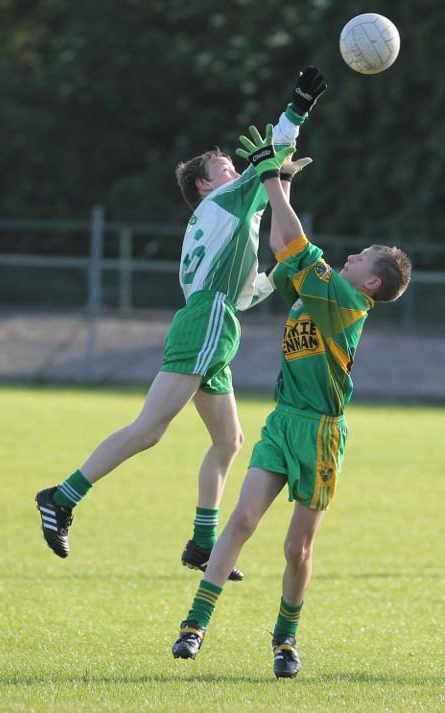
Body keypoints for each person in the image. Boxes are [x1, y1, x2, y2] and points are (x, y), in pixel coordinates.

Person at [35, 68, 328, 580]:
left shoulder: (220, 213)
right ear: (204, 184)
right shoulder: (225, 202)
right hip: (209, 321)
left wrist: (278, 183)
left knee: (228, 441)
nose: (237, 171)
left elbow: (252, 285)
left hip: (216, 318)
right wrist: (297, 107)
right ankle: (60, 497)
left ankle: (201, 542)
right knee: (150, 429)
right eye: (226, 167)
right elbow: (275, 152)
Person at [171, 124, 412, 677]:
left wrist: (275, 178)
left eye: (361, 257)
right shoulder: (319, 285)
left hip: (323, 434)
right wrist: (275, 184)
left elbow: (291, 243)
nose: (350, 256)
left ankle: (285, 639)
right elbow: (286, 249)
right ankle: (194, 627)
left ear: (370, 284)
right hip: (283, 423)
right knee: (241, 520)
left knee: (296, 549)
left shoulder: (347, 300)